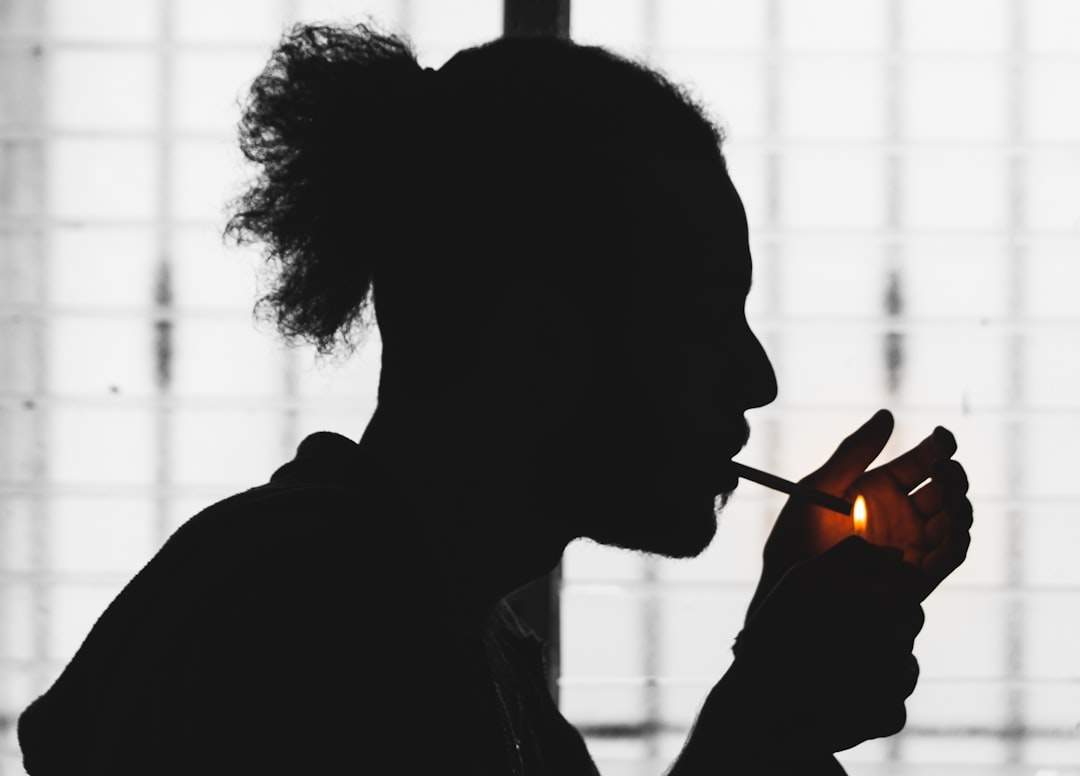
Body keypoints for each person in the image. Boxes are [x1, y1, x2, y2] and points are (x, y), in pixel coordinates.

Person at [17, 22, 973, 775]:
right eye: (703, 318)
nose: (755, 378)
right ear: (537, 345)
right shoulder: (303, 628)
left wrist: (771, 683)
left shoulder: (456, 631)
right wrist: (767, 717)